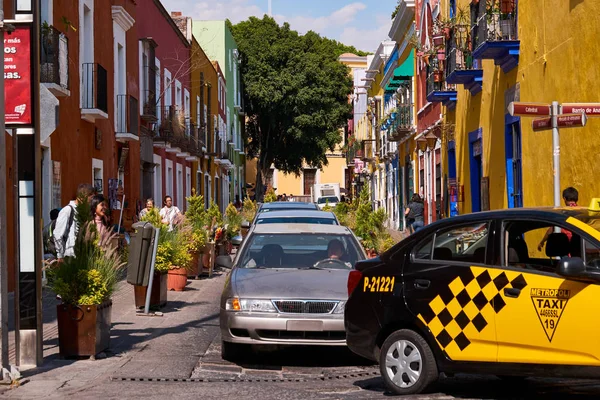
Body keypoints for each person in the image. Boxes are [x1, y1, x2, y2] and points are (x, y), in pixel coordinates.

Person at [54, 183, 95, 261]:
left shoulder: (85, 211)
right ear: (82, 196)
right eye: (90, 196)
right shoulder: (67, 210)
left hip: (83, 254)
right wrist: (60, 255)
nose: (92, 200)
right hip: (70, 255)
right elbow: (58, 234)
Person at [538, 187, 579, 251]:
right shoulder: (582, 212)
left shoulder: (563, 213)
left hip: (567, 247)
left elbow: (550, 230)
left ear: (564, 198)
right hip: (581, 247)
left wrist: (542, 242)